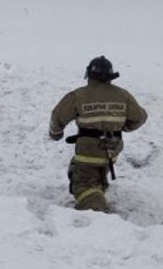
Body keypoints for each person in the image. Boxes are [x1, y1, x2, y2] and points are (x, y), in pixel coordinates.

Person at [49, 56, 148, 212]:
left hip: (88, 150)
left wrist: (55, 134)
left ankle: (95, 209)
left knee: (82, 182)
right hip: (113, 149)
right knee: (99, 171)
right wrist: (121, 128)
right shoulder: (124, 95)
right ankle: (98, 188)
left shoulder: (78, 96)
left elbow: (57, 116)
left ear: (88, 74)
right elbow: (140, 117)